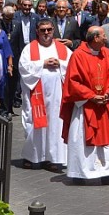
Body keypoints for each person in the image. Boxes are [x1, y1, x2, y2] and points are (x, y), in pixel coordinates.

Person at [59, 26, 109, 183]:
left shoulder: (105, 53)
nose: (106, 38)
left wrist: (108, 93)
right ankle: (80, 173)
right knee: (81, 139)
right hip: (85, 106)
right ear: (95, 38)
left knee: (106, 139)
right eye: (103, 36)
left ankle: (107, 173)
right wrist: (90, 96)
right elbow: (72, 82)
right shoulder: (78, 56)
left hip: (103, 104)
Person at [19, 19, 72, 171]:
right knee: (35, 123)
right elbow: (23, 67)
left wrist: (60, 64)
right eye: (43, 30)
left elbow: (73, 65)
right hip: (36, 93)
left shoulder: (62, 48)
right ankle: (33, 156)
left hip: (57, 94)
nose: (46, 33)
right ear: (37, 31)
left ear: (53, 30)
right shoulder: (30, 49)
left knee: (55, 124)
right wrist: (42, 63)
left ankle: (54, 159)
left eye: (49, 29)